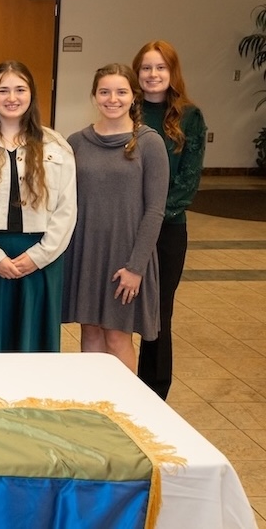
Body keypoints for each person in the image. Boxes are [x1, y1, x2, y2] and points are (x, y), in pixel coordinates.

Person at [0, 61, 76, 353]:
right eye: (3, 90)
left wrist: (40, 255)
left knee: (37, 342)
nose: (12, 97)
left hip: (41, 256)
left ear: (31, 94)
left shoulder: (55, 145)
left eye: (20, 89)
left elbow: (66, 209)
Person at [63, 63, 169, 372]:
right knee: (91, 331)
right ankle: (94, 407)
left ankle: (124, 411)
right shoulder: (76, 142)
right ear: (94, 96)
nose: (113, 99)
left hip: (125, 256)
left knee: (118, 337)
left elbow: (155, 210)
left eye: (121, 92)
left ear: (133, 97)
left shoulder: (150, 143)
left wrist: (136, 267)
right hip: (86, 252)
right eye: (105, 92)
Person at [133, 41, 207, 399]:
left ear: (172, 72)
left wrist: (153, 216)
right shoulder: (125, 108)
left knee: (159, 315)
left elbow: (188, 182)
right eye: (146, 68)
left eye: (160, 68)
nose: (152, 75)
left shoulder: (189, 117)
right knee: (114, 313)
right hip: (126, 229)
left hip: (167, 231)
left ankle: (154, 390)